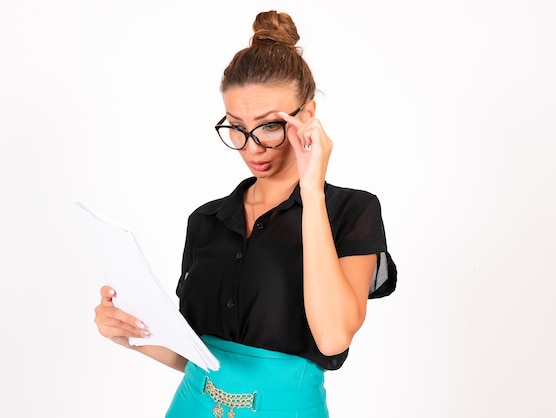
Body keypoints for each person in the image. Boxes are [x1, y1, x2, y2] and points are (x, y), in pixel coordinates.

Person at [94, 10, 397, 418]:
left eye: (269, 126)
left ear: (307, 116)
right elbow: (195, 356)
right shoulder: (207, 221)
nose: (251, 147)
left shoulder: (351, 211)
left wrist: (311, 189)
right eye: (236, 127)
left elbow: (333, 337)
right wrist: (128, 333)